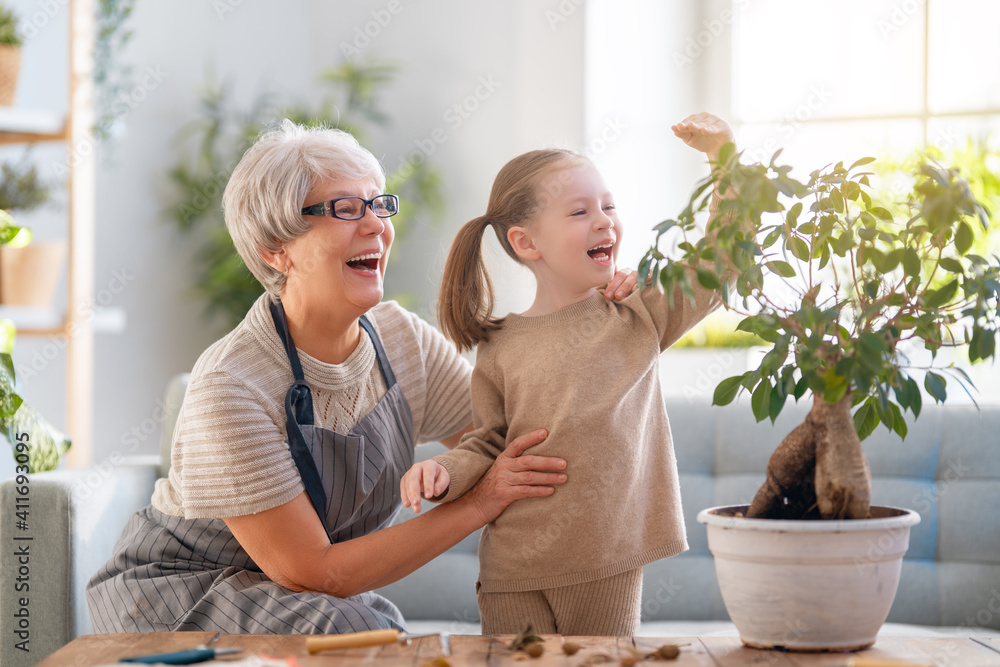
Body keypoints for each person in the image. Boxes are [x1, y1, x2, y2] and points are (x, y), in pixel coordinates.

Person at [85, 120, 635, 635]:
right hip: (180, 597)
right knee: (361, 630)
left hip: (294, 596)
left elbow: (512, 441)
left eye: (378, 204)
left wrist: (593, 313)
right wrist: (478, 503)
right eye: (346, 209)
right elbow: (315, 571)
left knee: (368, 629)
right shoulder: (232, 385)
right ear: (275, 250)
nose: (377, 225)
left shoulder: (400, 339)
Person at [400, 112, 735, 636]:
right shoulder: (499, 344)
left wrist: (724, 160)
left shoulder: (637, 313)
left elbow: (723, 259)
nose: (604, 221)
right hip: (510, 569)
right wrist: (443, 472)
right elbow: (487, 443)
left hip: (603, 561)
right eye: (579, 211)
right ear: (527, 243)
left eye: (609, 206)